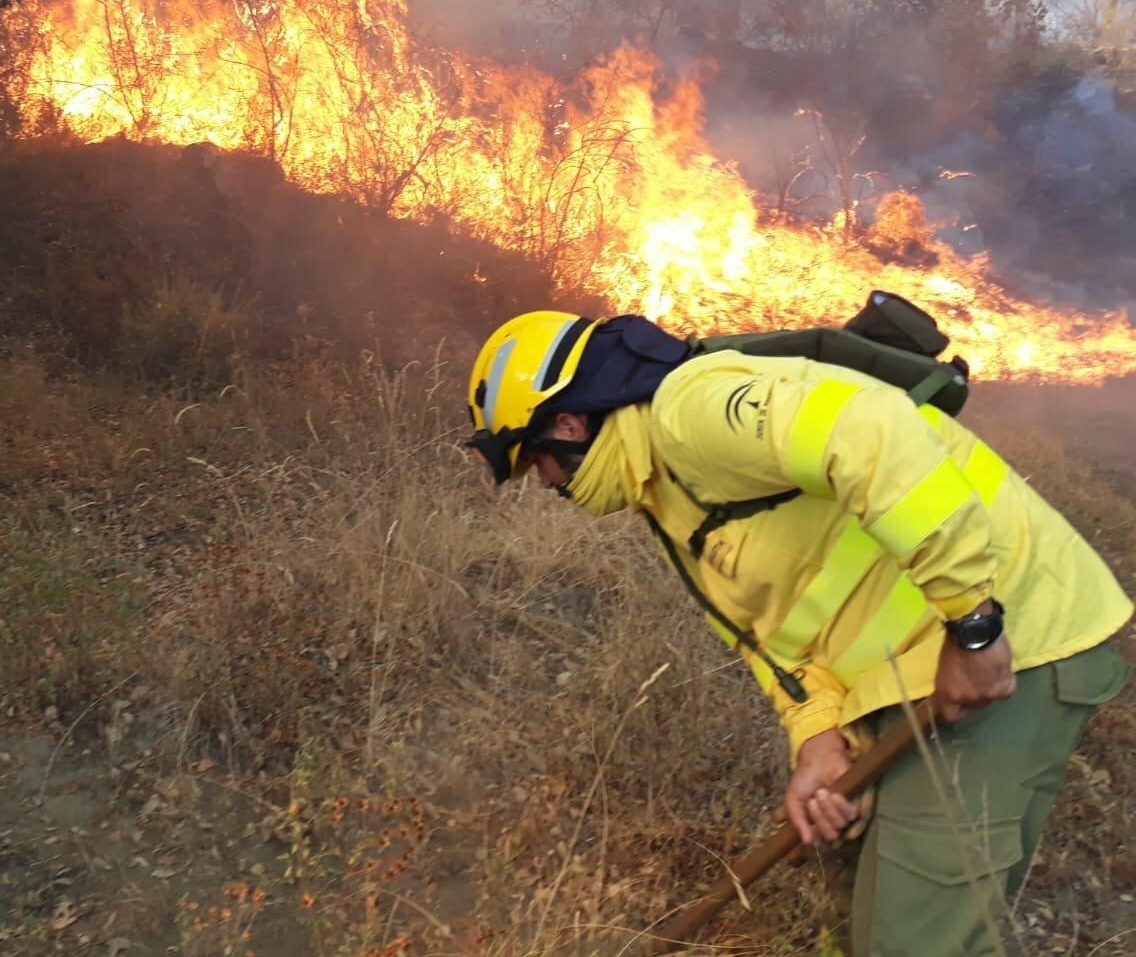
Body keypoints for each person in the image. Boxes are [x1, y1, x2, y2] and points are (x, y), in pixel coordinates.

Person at [465, 310, 1132, 956]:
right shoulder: (665, 493)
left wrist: (974, 623)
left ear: (568, 423)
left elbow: (870, 430)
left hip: (1013, 638)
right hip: (900, 673)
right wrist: (816, 737)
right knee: (851, 893)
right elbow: (769, 637)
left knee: (916, 941)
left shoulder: (689, 413)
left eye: (536, 463)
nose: (547, 484)